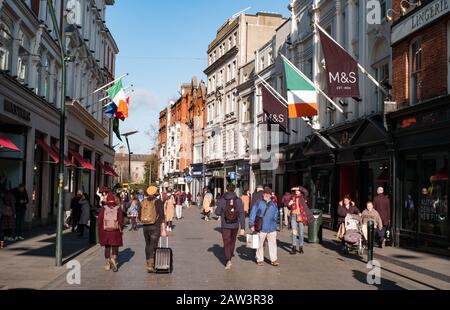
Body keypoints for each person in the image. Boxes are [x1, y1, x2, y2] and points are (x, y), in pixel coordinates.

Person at [215, 184, 245, 270]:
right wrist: (242, 227)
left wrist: (222, 211)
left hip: (225, 225)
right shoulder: (238, 200)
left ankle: (228, 259)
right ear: (234, 190)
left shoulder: (222, 200)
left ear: (226, 189)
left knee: (226, 241)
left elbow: (217, 212)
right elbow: (242, 214)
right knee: (232, 241)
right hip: (235, 224)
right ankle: (230, 255)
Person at [249, 187, 279, 267]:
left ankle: (274, 259)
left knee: (273, 244)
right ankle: (260, 259)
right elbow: (253, 213)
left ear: (270, 195)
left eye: (268, 194)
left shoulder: (273, 203)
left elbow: (276, 212)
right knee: (259, 244)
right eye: (265, 193)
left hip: (272, 228)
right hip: (261, 227)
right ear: (263, 194)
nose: (267, 195)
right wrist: (251, 224)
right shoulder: (258, 202)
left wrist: (275, 220)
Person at [140, 186, 166, 273]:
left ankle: (148, 263)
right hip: (155, 226)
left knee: (147, 244)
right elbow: (162, 216)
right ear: (155, 192)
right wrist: (163, 229)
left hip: (145, 226)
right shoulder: (158, 201)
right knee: (154, 245)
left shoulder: (143, 201)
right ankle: (151, 265)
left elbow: (140, 215)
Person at [97, 192, 124, 272]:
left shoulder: (103, 208)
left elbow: (99, 221)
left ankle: (107, 264)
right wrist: (121, 228)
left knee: (107, 247)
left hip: (105, 231)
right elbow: (121, 220)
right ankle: (113, 258)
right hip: (115, 231)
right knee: (115, 246)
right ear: (114, 199)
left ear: (107, 199)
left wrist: (100, 230)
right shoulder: (118, 208)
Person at [289, 187, 308, 254]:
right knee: (294, 232)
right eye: (296, 191)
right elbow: (288, 206)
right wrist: (289, 204)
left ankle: (301, 247)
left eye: (298, 190)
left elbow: (306, 191)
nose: (296, 191)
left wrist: (298, 187)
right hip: (294, 216)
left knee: (301, 233)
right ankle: (294, 247)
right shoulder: (292, 197)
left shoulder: (303, 197)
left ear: (300, 191)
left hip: (300, 216)